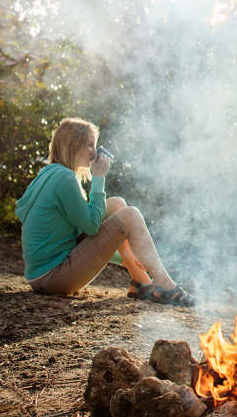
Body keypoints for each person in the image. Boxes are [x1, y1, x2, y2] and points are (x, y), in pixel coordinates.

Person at [15, 117, 194, 306]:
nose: (94, 152)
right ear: (74, 144)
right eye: (90, 145)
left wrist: (126, 258)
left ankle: (141, 282)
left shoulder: (50, 173)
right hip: (52, 277)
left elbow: (72, 231)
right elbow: (91, 227)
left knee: (117, 204)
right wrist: (99, 178)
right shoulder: (65, 178)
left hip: (42, 274)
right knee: (130, 215)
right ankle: (166, 286)